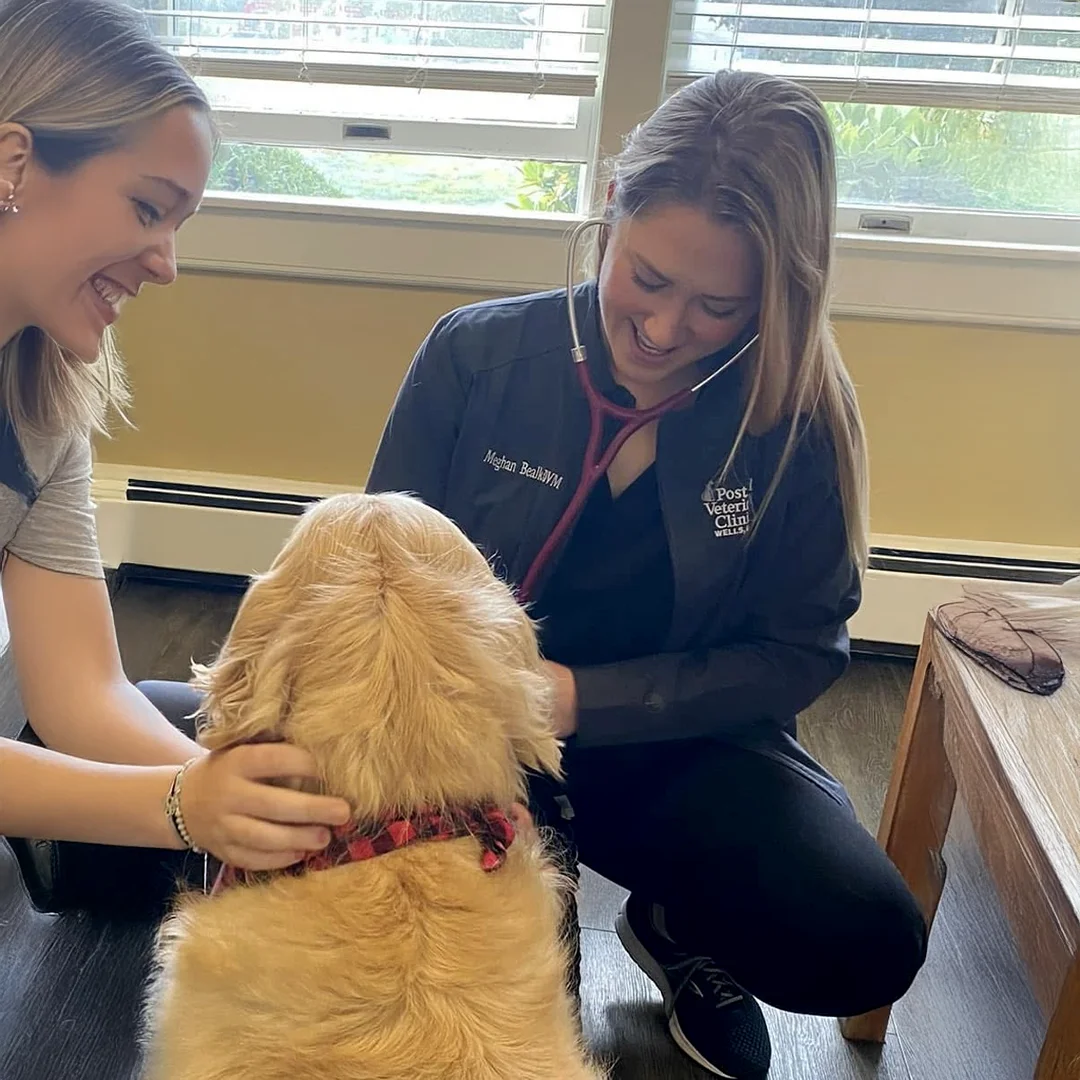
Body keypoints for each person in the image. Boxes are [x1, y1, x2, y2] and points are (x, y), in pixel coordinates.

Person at [361, 72, 929, 1079]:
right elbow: (378, 582)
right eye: (648, 278)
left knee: (864, 935)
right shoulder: (474, 357)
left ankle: (677, 928)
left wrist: (581, 698)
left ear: (777, 292)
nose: (666, 331)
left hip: (679, 747)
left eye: (720, 305)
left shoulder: (798, 417)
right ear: (612, 204)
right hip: (469, 735)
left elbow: (797, 653)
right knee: (492, 1014)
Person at [0, 0, 351, 908]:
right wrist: (180, 806)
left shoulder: (43, 400)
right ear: (13, 163)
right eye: (149, 208)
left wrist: (243, 802)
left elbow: (80, 693)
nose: (166, 263)